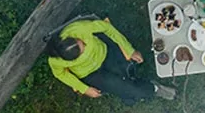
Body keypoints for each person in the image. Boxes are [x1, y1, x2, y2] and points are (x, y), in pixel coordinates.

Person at [46, 16, 175, 104]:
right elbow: (60, 74)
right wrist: (83, 88)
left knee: (127, 75)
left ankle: (135, 88)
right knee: (126, 87)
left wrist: (129, 49)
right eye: (82, 50)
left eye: (81, 43)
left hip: (105, 53)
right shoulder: (55, 60)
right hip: (90, 74)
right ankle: (154, 89)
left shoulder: (78, 29)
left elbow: (106, 28)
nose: (85, 45)